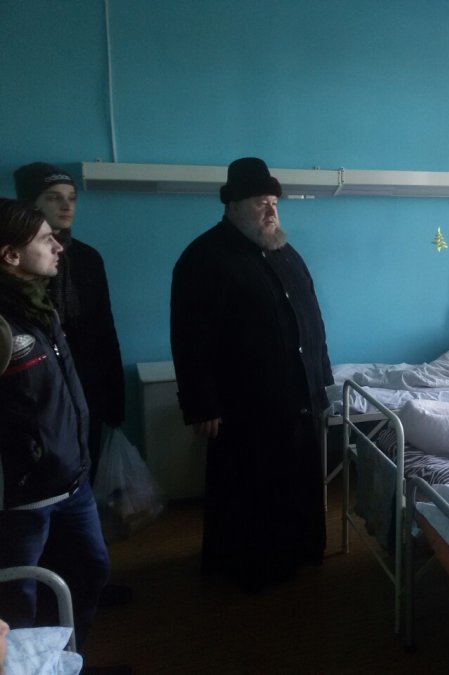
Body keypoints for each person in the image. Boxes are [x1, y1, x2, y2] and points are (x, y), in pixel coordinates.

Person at [170, 157, 333, 591]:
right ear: (233, 206)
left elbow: (312, 320)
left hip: (296, 398)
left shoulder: (285, 253)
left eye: (274, 203)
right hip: (244, 405)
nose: (271, 211)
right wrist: (201, 404)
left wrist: (321, 379)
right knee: (251, 488)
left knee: (295, 481)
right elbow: (190, 338)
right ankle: (251, 568)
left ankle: (298, 553)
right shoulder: (204, 258)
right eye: (261, 202)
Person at [0, 198, 110, 650]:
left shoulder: (41, 308)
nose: (58, 246)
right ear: (11, 255)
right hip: (24, 496)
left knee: (91, 571)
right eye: (46, 239)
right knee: (18, 602)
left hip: (72, 480)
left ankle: (66, 659)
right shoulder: (3, 325)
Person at [13, 163, 126, 480]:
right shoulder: (15, 260)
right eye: (53, 197)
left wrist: (115, 397)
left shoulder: (87, 258)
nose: (66, 206)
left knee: (86, 470)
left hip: (88, 381)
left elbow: (104, 329)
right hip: (35, 388)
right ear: (30, 204)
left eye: (72, 197)